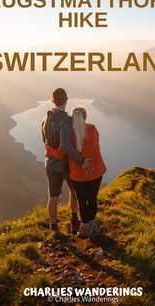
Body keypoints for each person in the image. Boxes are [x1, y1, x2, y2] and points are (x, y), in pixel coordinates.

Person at [46, 106, 106, 238]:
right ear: (85, 117)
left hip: (79, 176)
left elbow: (62, 151)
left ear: (73, 119)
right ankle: (92, 224)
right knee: (92, 199)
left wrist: (49, 148)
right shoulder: (93, 130)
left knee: (82, 200)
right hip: (96, 172)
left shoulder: (70, 136)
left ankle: (85, 226)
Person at [42, 88, 94, 233]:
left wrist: (53, 153)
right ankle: (74, 221)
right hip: (65, 164)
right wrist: (81, 160)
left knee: (52, 197)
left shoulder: (45, 119)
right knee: (73, 191)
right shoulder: (66, 120)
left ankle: (54, 229)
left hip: (50, 163)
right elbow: (66, 144)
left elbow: (45, 141)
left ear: (53, 101)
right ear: (66, 100)